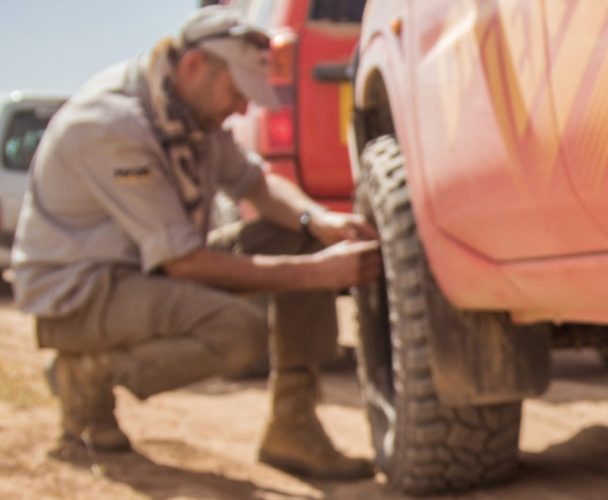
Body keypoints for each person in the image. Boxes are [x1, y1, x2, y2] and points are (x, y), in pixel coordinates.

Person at [12, 6, 381, 479]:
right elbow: (182, 262)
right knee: (237, 331)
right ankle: (87, 375)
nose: (243, 109)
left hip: (146, 271)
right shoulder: (112, 125)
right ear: (194, 66)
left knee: (297, 235)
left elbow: (256, 183)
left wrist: (318, 220)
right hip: (81, 295)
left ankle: (293, 426)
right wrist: (319, 273)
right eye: (237, 92)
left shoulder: (188, 114)